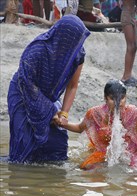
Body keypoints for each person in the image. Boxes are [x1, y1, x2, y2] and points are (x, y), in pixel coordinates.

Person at [7, 15, 90, 163]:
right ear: (63, 36)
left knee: (57, 143)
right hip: (22, 93)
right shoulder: (37, 49)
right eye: (74, 39)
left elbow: (73, 86)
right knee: (23, 145)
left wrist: (63, 114)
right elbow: (27, 84)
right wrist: (51, 112)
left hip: (48, 96)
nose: (78, 44)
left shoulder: (77, 53)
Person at [59, 79, 137, 170]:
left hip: (128, 151)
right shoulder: (95, 113)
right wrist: (62, 123)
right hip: (104, 151)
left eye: (121, 98)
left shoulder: (133, 112)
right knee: (89, 168)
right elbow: (79, 128)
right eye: (113, 99)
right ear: (105, 98)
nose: (118, 103)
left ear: (126, 97)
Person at [120, 0, 137, 87]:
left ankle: (129, 74)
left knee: (134, 46)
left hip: (132, 16)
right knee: (130, 46)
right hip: (127, 16)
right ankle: (125, 76)